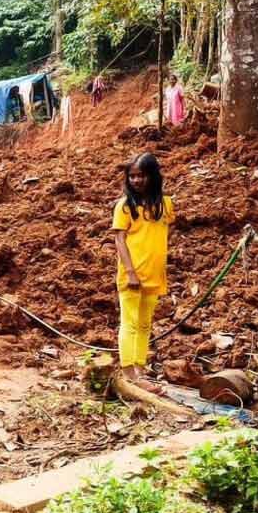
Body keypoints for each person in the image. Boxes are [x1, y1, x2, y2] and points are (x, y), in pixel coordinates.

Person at [111, 153, 175, 393]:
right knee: (130, 323)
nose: (136, 180)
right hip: (132, 275)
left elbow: (162, 235)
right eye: (132, 176)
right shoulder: (125, 206)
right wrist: (130, 272)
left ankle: (140, 367)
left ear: (153, 176)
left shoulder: (165, 205)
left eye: (141, 175)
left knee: (145, 323)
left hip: (154, 274)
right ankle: (130, 373)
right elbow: (119, 240)